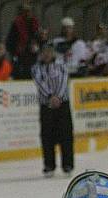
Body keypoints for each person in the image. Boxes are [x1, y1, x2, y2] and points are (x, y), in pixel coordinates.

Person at [32, 43, 73, 177]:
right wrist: (50, 96)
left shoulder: (62, 65)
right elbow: (39, 83)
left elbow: (64, 81)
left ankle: (67, 164)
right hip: (46, 105)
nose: (47, 54)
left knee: (66, 135)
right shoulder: (36, 68)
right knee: (47, 136)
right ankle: (49, 165)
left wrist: (58, 97)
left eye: (49, 52)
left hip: (63, 104)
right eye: (44, 52)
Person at [5, 3, 40, 79]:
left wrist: (37, 46)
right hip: (20, 58)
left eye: (29, 11)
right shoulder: (16, 24)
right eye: (25, 11)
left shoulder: (35, 24)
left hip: (33, 58)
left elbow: (40, 40)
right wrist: (15, 51)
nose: (28, 13)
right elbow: (9, 42)